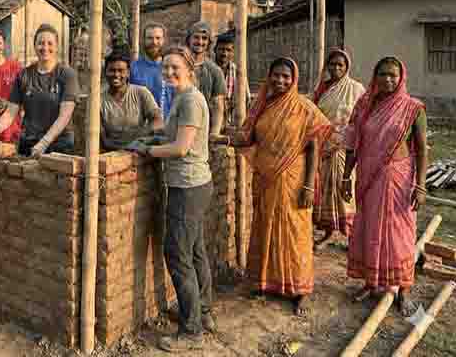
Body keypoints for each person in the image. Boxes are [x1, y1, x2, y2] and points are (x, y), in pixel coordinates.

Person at [231, 57, 331, 317]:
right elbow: (248, 136)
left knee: (295, 232)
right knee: (266, 229)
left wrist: (309, 186)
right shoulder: (261, 104)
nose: (280, 80)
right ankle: (264, 282)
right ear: (269, 76)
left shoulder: (304, 108)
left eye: (286, 77)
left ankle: (300, 290)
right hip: (266, 179)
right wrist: (225, 137)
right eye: (276, 75)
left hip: (294, 179)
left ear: (294, 79)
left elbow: (313, 148)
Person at [129, 46, 213, 353]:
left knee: (177, 254)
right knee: (195, 251)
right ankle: (202, 312)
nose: (169, 73)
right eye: (165, 68)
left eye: (175, 67)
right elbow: (169, 135)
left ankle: (191, 331)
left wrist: (147, 151)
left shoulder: (190, 99)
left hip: (187, 186)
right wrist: (151, 138)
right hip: (194, 185)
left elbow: (179, 148)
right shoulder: (182, 97)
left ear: (189, 68)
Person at [341, 57, 427, 317]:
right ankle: (371, 282)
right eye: (382, 75)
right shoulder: (365, 104)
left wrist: (420, 186)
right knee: (369, 228)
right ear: (375, 76)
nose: (387, 80)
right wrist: (346, 176)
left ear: (401, 77)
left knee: (399, 234)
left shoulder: (413, 108)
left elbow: (422, 149)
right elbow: (352, 143)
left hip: (398, 179)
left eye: (392, 75)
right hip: (368, 177)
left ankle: (404, 291)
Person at [0, 23, 79, 157]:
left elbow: (65, 116)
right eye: (40, 43)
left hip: (59, 144)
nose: (45, 47)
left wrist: (44, 143)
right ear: (34, 46)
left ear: (57, 46)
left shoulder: (67, 74)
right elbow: (10, 113)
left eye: (50, 43)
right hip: (29, 142)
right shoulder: (24, 75)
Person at [311, 48, 365, 250]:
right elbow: (314, 114)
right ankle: (328, 233)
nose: (336, 68)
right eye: (332, 64)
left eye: (340, 65)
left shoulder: (356, 89)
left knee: (343, 189)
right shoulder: (322, 89)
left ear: (347, 67)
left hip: (345, 148)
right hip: (324, 146)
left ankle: (352, 236)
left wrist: (343, 137)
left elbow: (360, 117)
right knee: (326, 190)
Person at [100, 50, 163, 151]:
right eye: (112, 70)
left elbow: (158, 120)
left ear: (128, 73)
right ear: (105, 72)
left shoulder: (141, 92)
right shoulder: (99, 100)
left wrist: (141, 136)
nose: (116, 74)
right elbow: (102, 138)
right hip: (111, 153)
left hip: (138, 151)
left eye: (121, 70)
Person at [185, 22, 226, 135]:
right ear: (189, 39)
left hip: (202, 129)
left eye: (204, 38)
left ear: (209, 43)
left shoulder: (214, 71)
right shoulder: (179, 65)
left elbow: (218, 105)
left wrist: (214, 134)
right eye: (196, 37)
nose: (200, 42)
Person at [131, 23, 174, 120]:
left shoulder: (172, 67)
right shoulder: (133, 68)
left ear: (164, 40)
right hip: (141, 128)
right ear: (143, 40)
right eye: (149, 38)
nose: (154, 42)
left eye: (158, 38)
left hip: (168, 126)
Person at [214, 33, 251, 127]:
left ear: (233, 52)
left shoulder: (238, 72)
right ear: (215, 50)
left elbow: (246, 99)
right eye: (221, 49)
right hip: (210, 123)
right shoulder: (208, 70)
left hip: (230, 124)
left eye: (228, 50)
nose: (224, 53)